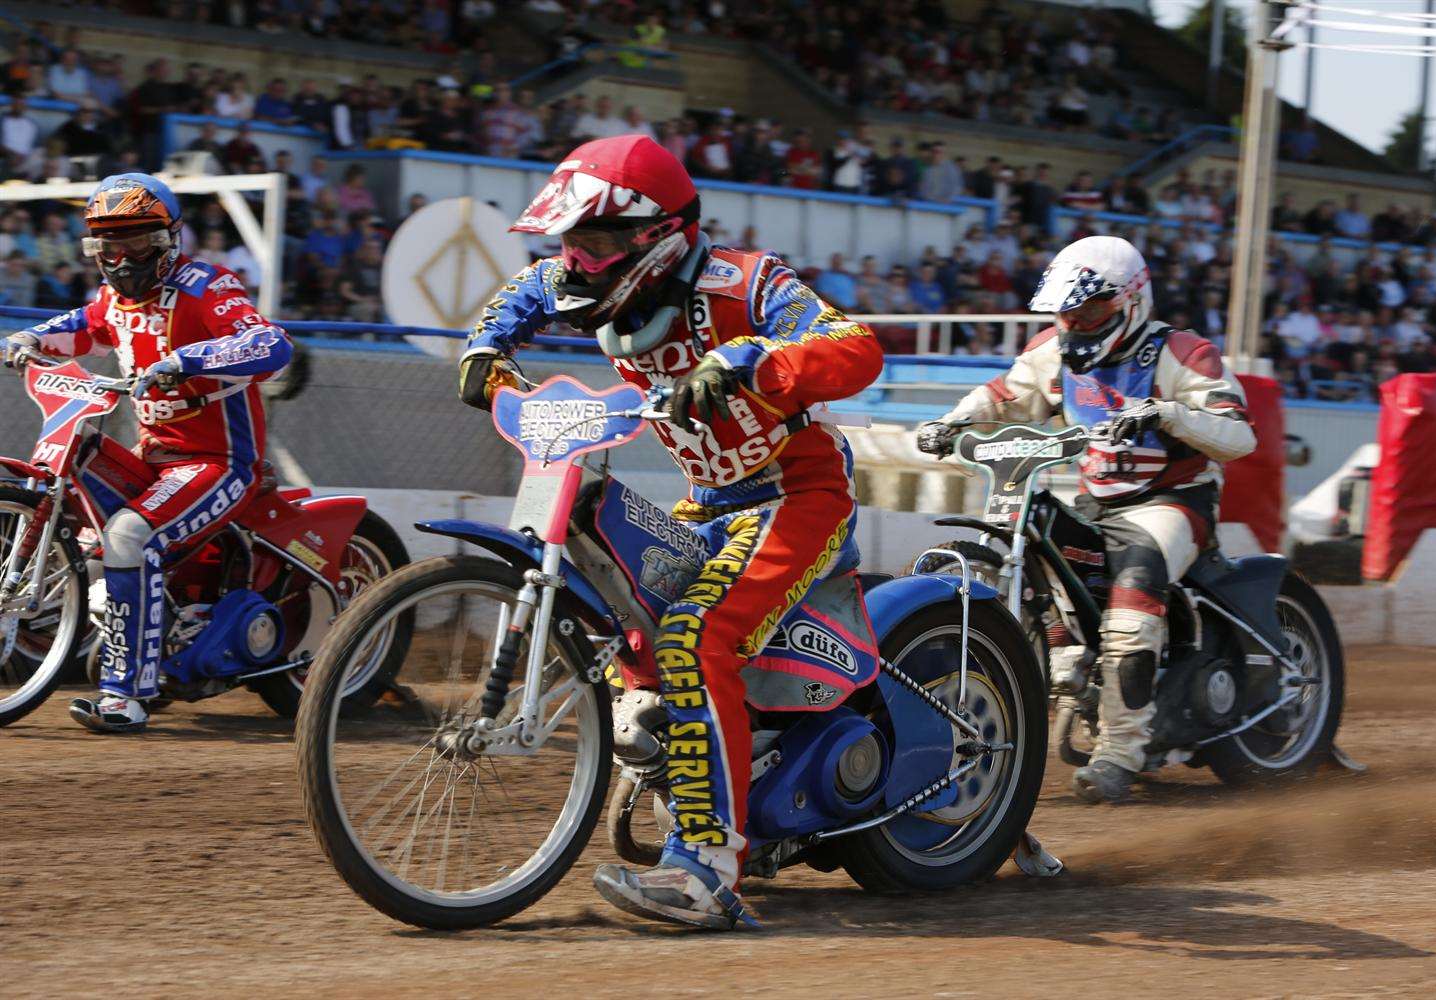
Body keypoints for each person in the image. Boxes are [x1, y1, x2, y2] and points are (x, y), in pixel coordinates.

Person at [459, 136, 882, 928]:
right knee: (633, 640)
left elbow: (854, 346)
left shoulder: (745, 281)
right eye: (569, 242)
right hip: (709, 500)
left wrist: (755, 360)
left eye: (592, 242)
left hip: (796, 493)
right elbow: (524, 288)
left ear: (652, 237)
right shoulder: (582, 274)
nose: (575, 260)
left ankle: (710, 873)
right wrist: (487, 349)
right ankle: (725, 765)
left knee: (694, 638)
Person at [915, 236, 1256, 804]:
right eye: (1067, 310)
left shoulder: (1182, 352)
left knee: (1129, 608)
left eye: (1090, 309)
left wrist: (1168, 414)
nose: (1075, 321)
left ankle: (1120, 753)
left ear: (1131, 301)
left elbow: (1239, 434)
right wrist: (952, 422)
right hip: (1097, 501)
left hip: (1172, 500)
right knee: (1050, 563)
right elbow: (1007, 395)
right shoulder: (1051, 348)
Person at [2, 174, 292, 734]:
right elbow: (82, 326)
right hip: (155, 457)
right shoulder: (113, 299)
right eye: (108, 245)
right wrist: (29, 339)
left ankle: (124, 697)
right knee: (88, 530)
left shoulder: (209, 286)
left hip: (219, 463)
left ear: (168, 239)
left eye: (136, 241)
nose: (121, 255)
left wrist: (189, 359)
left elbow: (271, 342)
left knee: (129, 536)